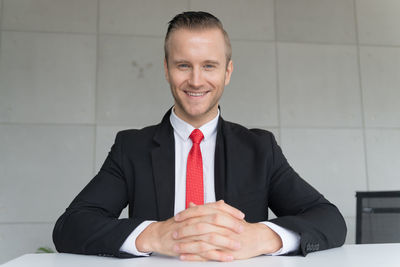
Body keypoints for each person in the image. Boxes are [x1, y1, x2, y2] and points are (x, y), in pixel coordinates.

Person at [53, 11, 346, 262]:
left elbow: (329, 219)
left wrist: (263, 236)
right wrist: (153, 235)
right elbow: (70, 226)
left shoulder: (260, 148)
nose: (195, 80)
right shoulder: (131, 148)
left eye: (209, 65)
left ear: (227, 71)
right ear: (167, 70)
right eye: (183, 65)